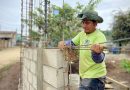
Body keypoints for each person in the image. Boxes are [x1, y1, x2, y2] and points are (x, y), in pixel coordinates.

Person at [58, 10, 107, 90]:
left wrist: (96, 53)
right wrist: (64, 43)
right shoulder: (82, 34)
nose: (84, 26)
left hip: (94, 77)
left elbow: (99, 60)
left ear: (95, 24)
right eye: (83, 22)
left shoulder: (100, 36)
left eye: (87, 23)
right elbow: (72, 43)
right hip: (84, 75)